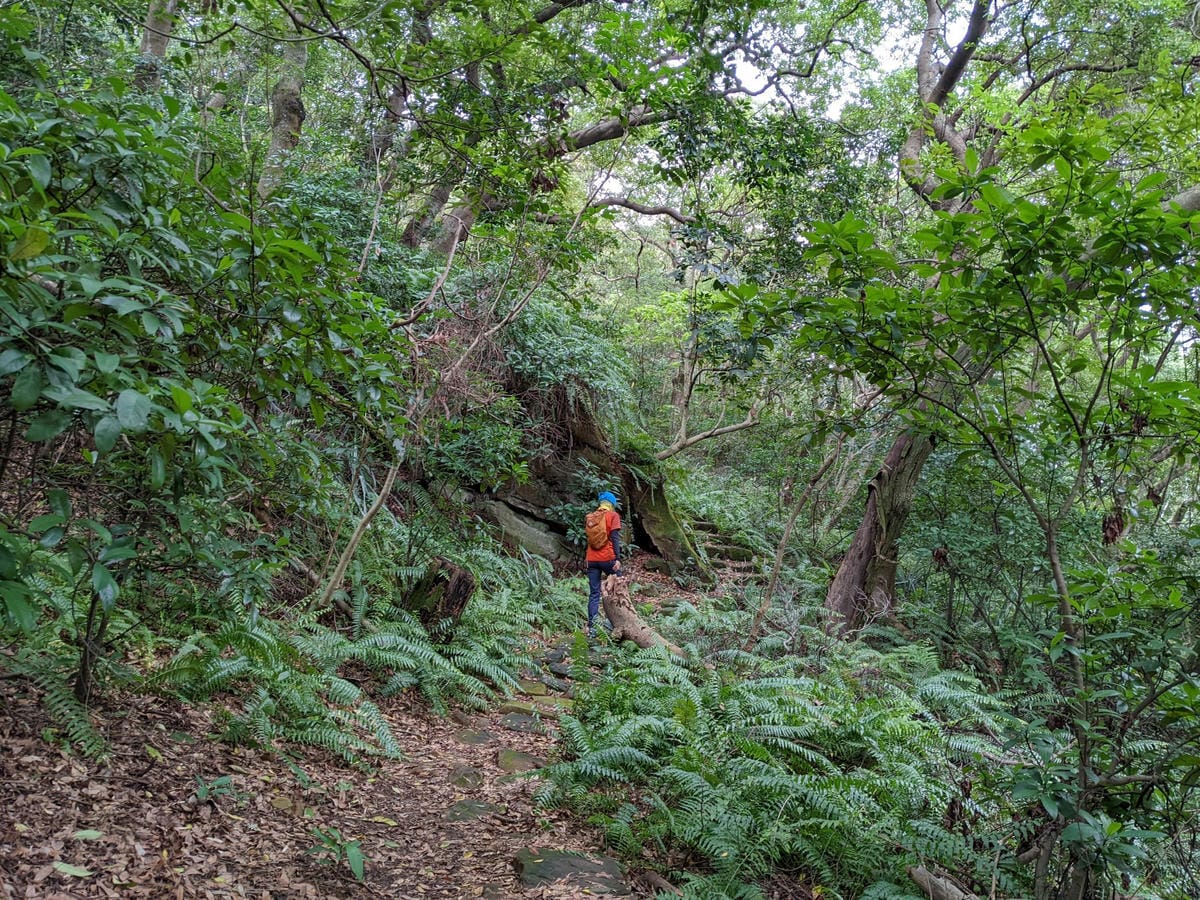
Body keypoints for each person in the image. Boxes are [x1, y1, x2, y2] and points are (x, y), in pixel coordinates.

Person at [585, 490, 622, 637]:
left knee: (594, 593)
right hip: (608, 558)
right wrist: (617, 558)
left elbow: (590, 540)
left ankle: (592, 627)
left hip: (592, 560)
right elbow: (615, 538)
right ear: (612, 504)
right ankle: (615, 622)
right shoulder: (613, 516)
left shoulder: (591, 517)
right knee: (617, 587)